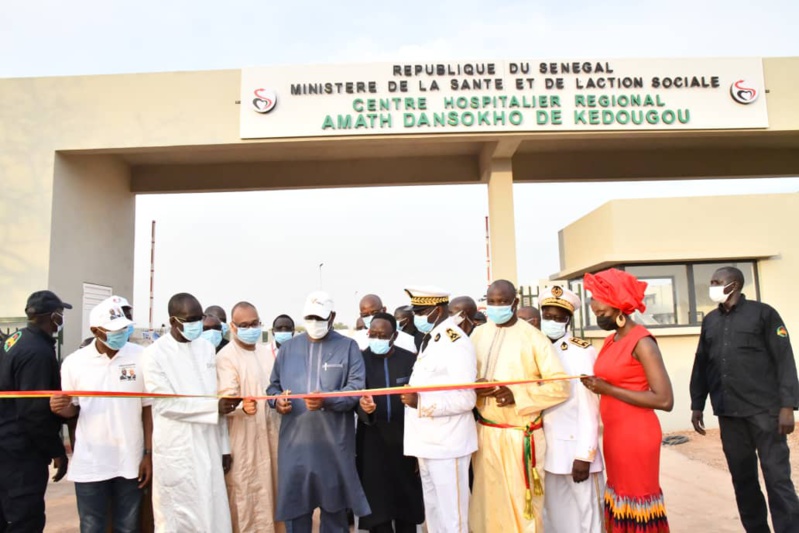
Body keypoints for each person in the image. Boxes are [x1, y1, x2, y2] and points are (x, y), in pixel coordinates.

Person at [690, 266, 799, 533]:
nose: (712, 286)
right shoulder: (711, 321)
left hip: (765, 412)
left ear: (734, 284)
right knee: (743, 480)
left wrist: (788, 406)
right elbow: (702, 362)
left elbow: (784, 359)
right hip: (729, 414)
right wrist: (697, 403)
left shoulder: (764, 314)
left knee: (777, 480)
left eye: (717, 281)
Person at [469, 280, 569, 533]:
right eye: (492, 301)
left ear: (514, 303)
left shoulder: (534, 338)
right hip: (485, 433)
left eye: (502, 302)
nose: (496, 306)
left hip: (519, 434)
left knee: (521, 506)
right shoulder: (479, 334)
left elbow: (559, 387)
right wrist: (475, 384)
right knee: (486, 504)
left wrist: (516, 395)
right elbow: (465, 374)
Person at [267, 291, 369, 532]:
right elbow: (273, 387)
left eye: (320, 318)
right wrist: (277, 402)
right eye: (310, 318)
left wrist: (327, 402)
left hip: (333, 446)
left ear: (332, 316)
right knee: (296, 512)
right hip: (295, 447)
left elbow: (356, 388)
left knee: (334, 513)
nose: (314, 323)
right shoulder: (289, 348)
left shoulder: (348, 347)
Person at [580, 268, 673, 533]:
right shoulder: (612, 339)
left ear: (619, 304)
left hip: (636, 434)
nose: (593, 306)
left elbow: (664, 399)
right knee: (620, 495)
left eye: (600, 305)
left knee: (637, 497)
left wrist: (607, 389)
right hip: (615, 434)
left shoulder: (642, 341)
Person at [50, 296, 153, 533]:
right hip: (91, 461)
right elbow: (72, 410)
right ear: (95, 330)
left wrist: (148, 453)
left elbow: (147, 409)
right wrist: (61, 407)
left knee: (128, 527)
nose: (121, 334)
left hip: (131, 460)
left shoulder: (141, 357)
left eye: (124, 328)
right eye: (114, 330)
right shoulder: (74, 363)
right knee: (92, 526)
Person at [143, 293, 238, 533]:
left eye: (200, 317)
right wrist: (212, 408)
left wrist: (224, 446)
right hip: (178, 449)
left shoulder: (207, 348)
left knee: (213, 511)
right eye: (191, 319)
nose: (197, 324)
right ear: (173, 321)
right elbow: (165, 405)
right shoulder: (154, 354)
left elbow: (216, 397)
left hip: (209, 444)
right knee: (178, 517)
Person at [400, 287, 476, 533]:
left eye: (422, 312)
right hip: (427, 443)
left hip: (448, 444)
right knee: (433, 514)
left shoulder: (455, 341)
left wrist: (420, 403)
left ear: (438, 310)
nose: (417, 317)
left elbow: (466, 398)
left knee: (453, 517)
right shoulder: (432, 338)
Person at [0, 290, 70, 532]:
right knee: (25, 519)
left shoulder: (15, 339)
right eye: (61, 315)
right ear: (53, 317)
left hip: (6, 444)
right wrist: (56, 451)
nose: (61, 321)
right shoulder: (37, 353)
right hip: (21, 452)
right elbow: (34, 412)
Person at [538, 286, 604, 533]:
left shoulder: (580, 351)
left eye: (558, 318)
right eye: (547, 316)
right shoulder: (537, 347)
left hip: (576, 450)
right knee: (555, 515)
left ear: (568, 320)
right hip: (549, 450)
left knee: (589, 514)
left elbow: (590, 406)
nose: (552, 322)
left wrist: (585, 455)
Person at [356, 313, 424, 533]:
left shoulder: (409, 360)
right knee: (378, 506)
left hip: (405, 439)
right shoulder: (360, 361)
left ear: (394, 335)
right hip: (372, 440)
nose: (377, 339)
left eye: (382, 335)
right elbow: (353, 398)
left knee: (406, 504)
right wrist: (364, 409)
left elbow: (420, 399)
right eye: (373, 334)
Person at [217, 302, 281, 533]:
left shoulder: (267, 354)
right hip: (243, 440)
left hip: (271, 435)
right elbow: (225, 401)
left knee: (273, 495)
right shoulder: (226, 358)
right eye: (244, 325)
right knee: (246, 499)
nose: (250, 328)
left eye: (254, 323)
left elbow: (277, 390)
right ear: (233, 327)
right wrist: (241, 407)